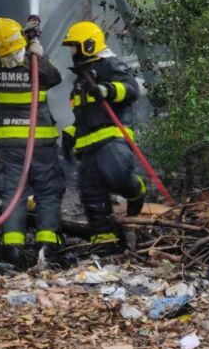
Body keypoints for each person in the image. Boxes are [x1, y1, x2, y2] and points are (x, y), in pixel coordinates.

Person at [0, 16, 65, 269]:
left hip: (10, 146)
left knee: (13, 194)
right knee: (48, 192)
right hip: (40, 144)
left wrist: (28, 45)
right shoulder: (35, 67)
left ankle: (13, 248)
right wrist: (37, 53)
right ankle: (47, 247)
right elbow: (54, 76)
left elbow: (8, 60)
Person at [61, 21, 146, 250]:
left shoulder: (109, 64)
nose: (71, 52)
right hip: (88, 148)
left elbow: (131, 89)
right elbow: (84, 118)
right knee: (91, 194)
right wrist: (69, 134)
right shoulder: (80, 79)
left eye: (74, 46)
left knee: (116, 177)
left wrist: (107, 90)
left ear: (88, 45)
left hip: (111, 139)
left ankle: (136, 188)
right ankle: (105, 240)